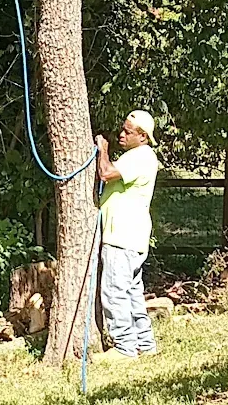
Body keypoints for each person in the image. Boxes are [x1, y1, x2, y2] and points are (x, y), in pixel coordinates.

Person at [95, 110, 159, 361]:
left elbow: (106, 174)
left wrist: (103, 150)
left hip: (121, 236)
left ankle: (124, 348)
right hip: (133, 236)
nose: (121, 134)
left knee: (113, 292)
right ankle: (144, 343)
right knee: (132, 293)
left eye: (128, 132)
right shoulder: (139, 156)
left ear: (142, 136)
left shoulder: (140, 156)